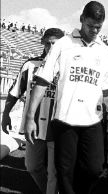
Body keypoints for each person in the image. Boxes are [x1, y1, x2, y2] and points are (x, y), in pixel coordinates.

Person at [23, 1, 108, 194]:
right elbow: (42, 81)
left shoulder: (105, 52)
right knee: (64, 173)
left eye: (99, 27)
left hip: (92, 121)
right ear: (81, 19)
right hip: (65, 120)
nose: (94, 31)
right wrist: (30, 118)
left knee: (94, 169)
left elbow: (107, 93)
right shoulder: (63, 45)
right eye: (90, 26)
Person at [1, 28, 64, 194]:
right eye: (48, 43)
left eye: (55, 44)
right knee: (33, 166)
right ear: (43, 43)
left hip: (58, 127)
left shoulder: (67, 68)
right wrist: (6, 114)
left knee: (54, 173)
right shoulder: (30, 65)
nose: (51, 48)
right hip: (33, 127)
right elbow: (15, 92)